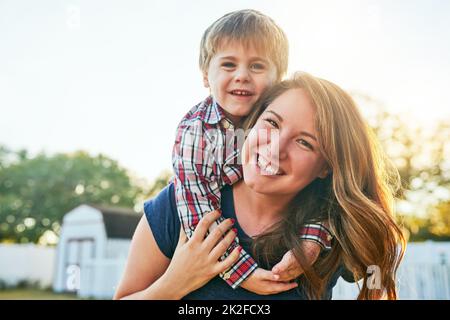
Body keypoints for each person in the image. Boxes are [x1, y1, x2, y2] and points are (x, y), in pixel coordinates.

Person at [114, 72, 406, 300]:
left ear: (326, 167)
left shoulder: (333, 231)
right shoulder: (176, 205)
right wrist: (174, 284)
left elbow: (376, 264)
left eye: (304, 142)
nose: (276, 148)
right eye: (272, 123)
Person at [172, 9, 332, 292]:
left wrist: (311, 239)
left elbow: (328, 197)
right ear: (206, 76)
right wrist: (242, 274)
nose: (242, 76)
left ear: (278, 80)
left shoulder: (283, 127)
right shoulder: (196, 133)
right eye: (229, 65)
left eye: (257, 66)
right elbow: (199, 215)